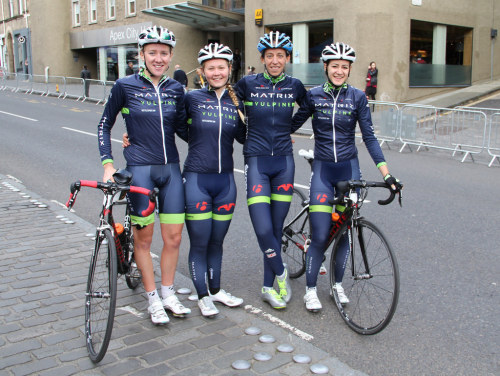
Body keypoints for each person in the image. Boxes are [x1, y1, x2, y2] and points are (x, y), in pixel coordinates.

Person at [292, 42, 402, 312]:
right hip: (323, 172)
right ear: (326, 67)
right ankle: (309, 290)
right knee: (319, 235)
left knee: (344, 233)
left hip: (349, 172)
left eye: (345, 67)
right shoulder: (314, 95)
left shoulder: (358, 97)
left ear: (350, 69)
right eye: (335, 66)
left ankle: (337, 285)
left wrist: (387, 175)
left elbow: (370, 138)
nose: (339, 71)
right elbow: (291, 125)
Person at [97, 25, 190, 325]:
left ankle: (168, 292)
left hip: (171, 170)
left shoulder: (176, 89)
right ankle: (152, 299)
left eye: (164, 53)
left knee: (174, 238)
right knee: (145, 240)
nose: (158, 58)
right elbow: (104, 125)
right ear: (142, 54)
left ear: (171, 55)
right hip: (140, 171)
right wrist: (108, 163)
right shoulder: (125, 86)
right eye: (152, 52)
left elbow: (184, 129)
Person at [234, 31, 307, 310]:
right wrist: (244, 134)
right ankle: (282, 274)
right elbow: (228, 105)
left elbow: (309, 107)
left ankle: (268, 287)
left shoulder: (295, 85)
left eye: (280, 55)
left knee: (276, 229)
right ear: (262, 59)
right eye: (270, 56)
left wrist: (290, 128)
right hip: (257, 161)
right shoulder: (248, 84)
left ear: (287, 58)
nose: (275, 60)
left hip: (284, 163)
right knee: (263, 228)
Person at [182, 43, 246, 317]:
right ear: (202, 71)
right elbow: (169, 125)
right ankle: (202, 295)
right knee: (199, 243)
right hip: (197, 181)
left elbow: (245, 137)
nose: (217, 72)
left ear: (229, 69)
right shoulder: (192, 99)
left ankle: (216, 291)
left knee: (216, 242)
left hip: (225, 184)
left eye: (222, 67)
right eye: (211, 68)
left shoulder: (237, 102)